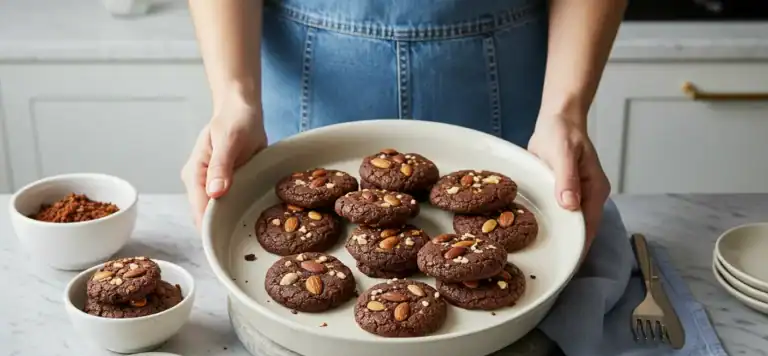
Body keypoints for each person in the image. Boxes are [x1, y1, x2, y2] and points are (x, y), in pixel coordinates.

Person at [182, 0, 626, 250]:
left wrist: (564, 112)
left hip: (498, 72)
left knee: (523, 251)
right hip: (309, 72)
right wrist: (233, 99)